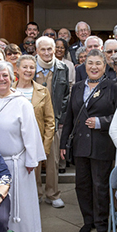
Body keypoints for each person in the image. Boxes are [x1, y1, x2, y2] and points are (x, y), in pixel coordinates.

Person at [0, 61, 46, 232]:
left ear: (11, 78)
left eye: (5, 75)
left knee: (18, 202)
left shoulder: (21, 102)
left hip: (15, 162)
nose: (1, 79)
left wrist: (32, 160)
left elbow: (31, 133)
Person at [60, 49, 117, 232]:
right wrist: (64, 143)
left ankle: (102, 223)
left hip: (102, 144)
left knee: (100, 186)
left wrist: (101, 122)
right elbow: (70, 117)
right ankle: (88, 220)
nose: (94, 67)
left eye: (98, 63)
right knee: (82, 185)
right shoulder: (77, 87)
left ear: (105, 67)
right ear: (84, 66)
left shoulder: (114, 87)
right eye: (90, 63)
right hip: (81, 144)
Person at [15, 55, 57, 207]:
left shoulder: (43, 91)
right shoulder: (9, 90)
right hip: (14, 143)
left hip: (34, 142)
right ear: (17, 69)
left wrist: (44, 148)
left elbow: (50, 121)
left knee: (34, 177)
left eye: (32, 67)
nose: (28, 70)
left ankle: (32, 206)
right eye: (25, 67)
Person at [34, 37, 71, 208]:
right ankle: (35, 193)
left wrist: (60, 118)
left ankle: (52, 194)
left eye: (50, 49)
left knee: (52, 160)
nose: (47, 53)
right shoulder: (30, 66)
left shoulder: (62, 68)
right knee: (33, 160)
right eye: (43, 50)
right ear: (37, 51)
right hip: (33, 120)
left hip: (53, 121)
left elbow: (65, 96)